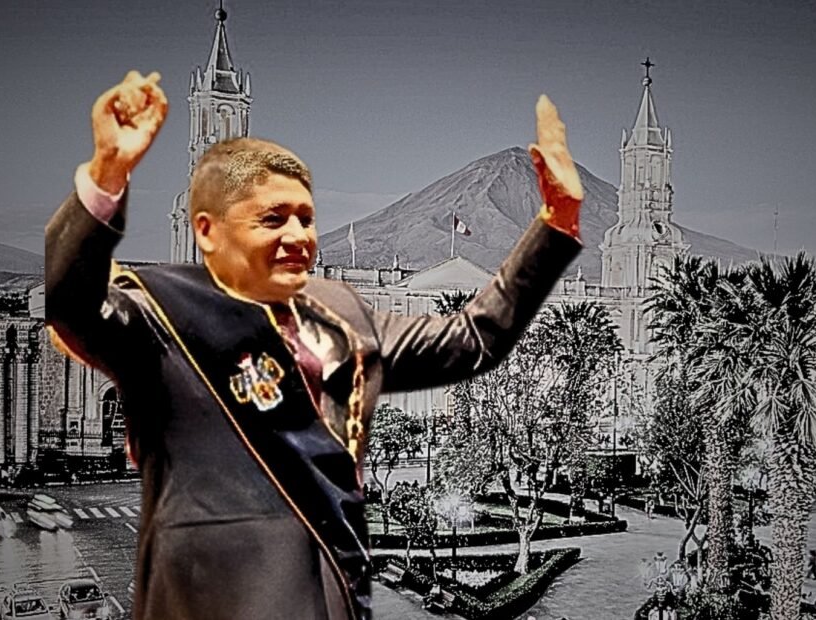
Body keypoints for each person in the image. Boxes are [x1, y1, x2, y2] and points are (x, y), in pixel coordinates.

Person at [45, 71, 586, 620]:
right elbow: (70, 306)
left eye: (304, 218)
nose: (295, 236)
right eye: (270, 219)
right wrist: (105, 177)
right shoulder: (161, 314)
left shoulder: (343, 317)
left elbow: (472, 339)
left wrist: (556, 222)